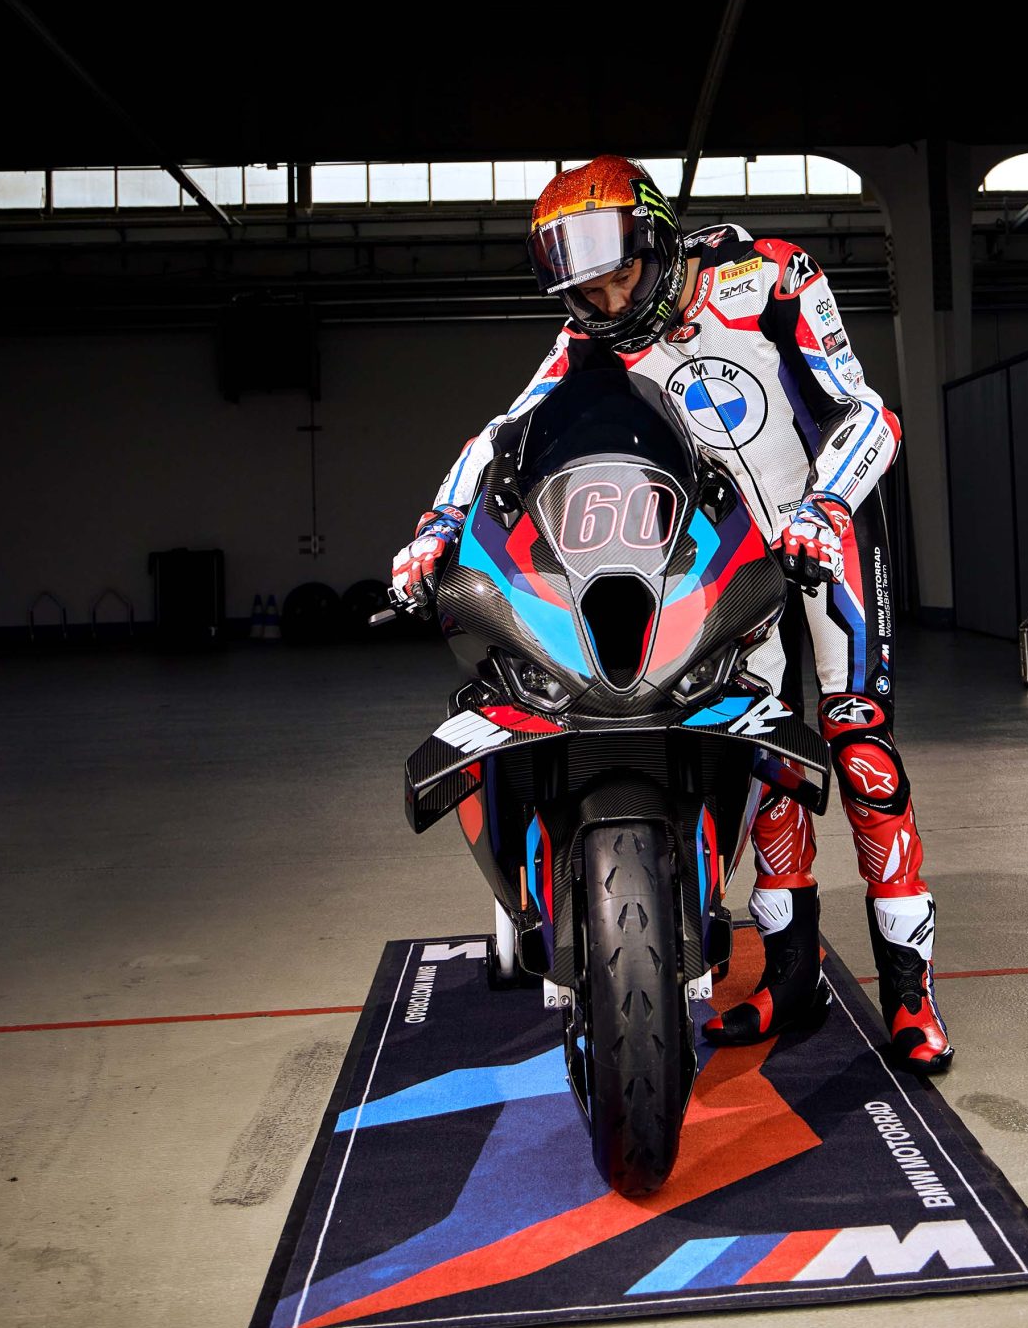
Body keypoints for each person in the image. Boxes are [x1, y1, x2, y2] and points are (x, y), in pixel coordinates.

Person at [390, 155, 951, 1074]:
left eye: (621, 278)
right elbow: (502, 435)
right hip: (730, 558)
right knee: (759, 750)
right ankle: (790, 978)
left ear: (655, 241)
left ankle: (910, 995)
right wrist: (437, 526)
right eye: (586, 292)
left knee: (859, 748)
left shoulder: (770, 275)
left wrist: (823, 508)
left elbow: (868, 415)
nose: (609, 303)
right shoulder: (586, 339)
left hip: (829, 529)